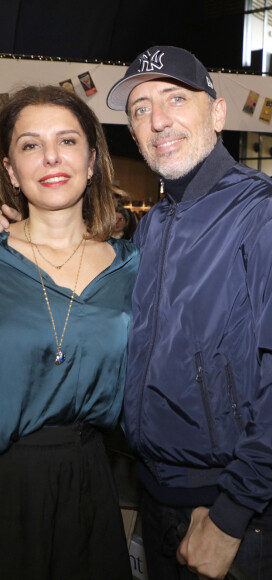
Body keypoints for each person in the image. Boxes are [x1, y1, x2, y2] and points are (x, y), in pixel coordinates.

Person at [105, 46, 272, 579]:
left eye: (175, 99)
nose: (157, 119)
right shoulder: (158, 222)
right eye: (140, 108)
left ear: (217, 112)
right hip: (158, 492)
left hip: (232, 506)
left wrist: (231, 516)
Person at [0, 85, 138, 578]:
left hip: (90, 478)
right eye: (30, 144)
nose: (51, 156)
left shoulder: (135, 270)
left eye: (68, 141)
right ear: (11, 170)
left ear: (93, 159)